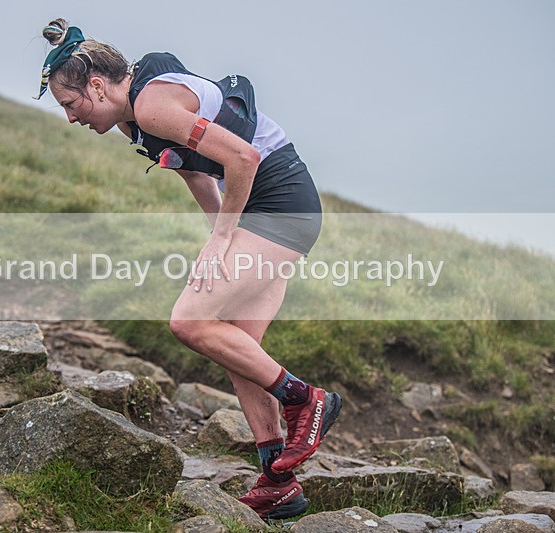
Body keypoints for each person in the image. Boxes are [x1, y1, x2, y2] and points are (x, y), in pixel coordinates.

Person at [34, 18, 342, 520]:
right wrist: (218, 242)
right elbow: (198, 171)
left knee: (189, 322)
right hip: (275, 206)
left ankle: (306, 401)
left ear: (96, 84)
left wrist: (224, 236)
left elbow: (242, 157)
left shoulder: (152, 103)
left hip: (280, 202)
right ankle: (277, 483)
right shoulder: (135, 119)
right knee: (237, 346)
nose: (70, 118)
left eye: (70, 104)